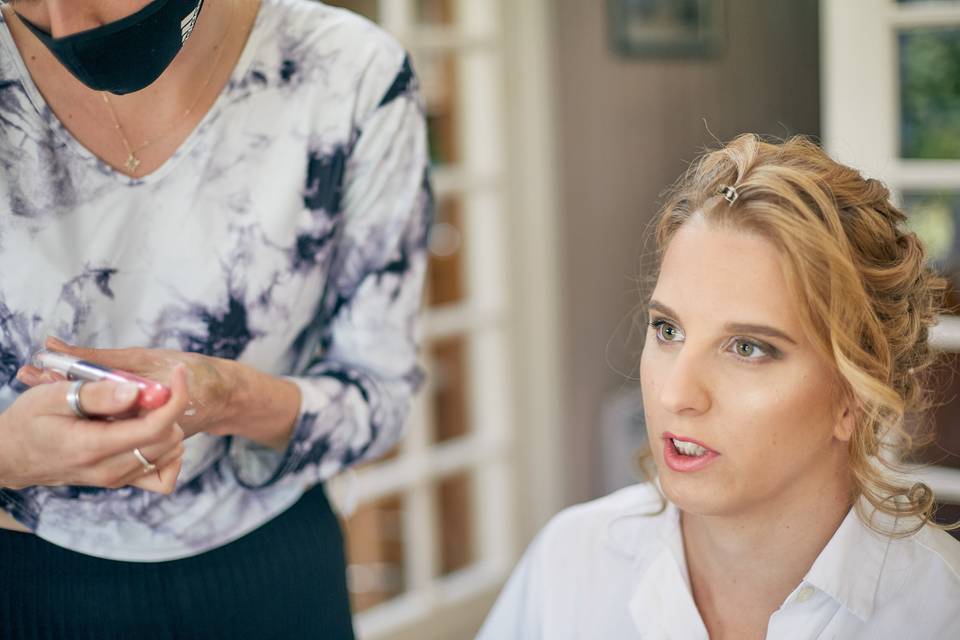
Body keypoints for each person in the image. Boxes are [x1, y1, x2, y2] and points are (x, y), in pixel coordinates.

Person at [0, 0, 431, 637]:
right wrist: (9, 455)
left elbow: (381, 394)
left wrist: (227, 398)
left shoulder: (349, 75)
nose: (63, 25)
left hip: (273, 568)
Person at [478, 135, 960, 639]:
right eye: (668, 330)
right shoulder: (571, 565)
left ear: (855, 393)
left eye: (747, 348)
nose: (674, 395)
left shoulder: (939, 611)